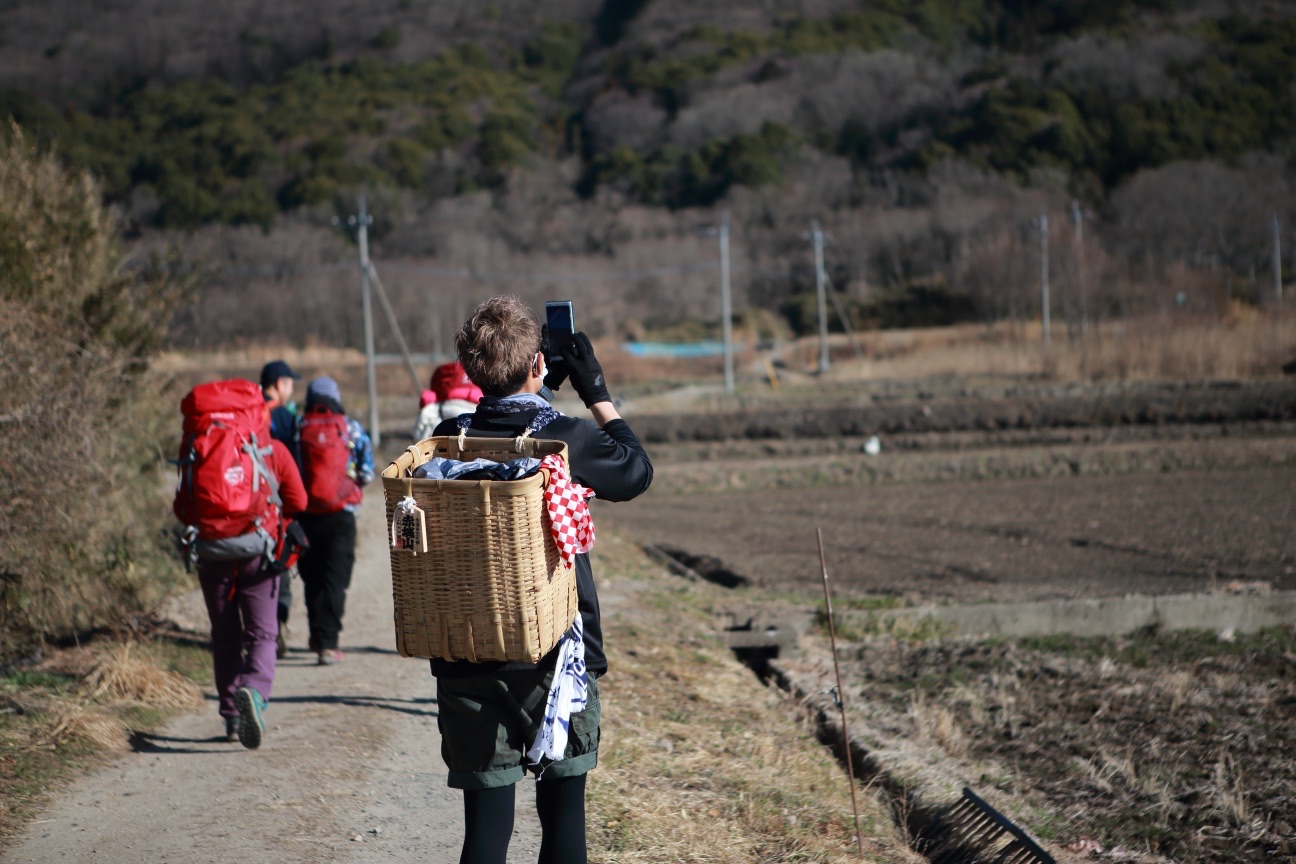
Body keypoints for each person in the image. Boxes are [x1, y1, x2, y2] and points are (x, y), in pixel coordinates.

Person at [429, 295, 653, 864]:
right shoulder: (567, 440)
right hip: (555, 654)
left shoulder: (449, 437)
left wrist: (534, 385)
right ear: (537, 363)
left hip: (469, 649)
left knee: (484, 832)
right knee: (562, 821)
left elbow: (502, 418)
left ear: (472, 371)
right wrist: (594, 389)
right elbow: (635, 471)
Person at [175, 380, 307, 749]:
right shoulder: (271, 449)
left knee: (225, 635)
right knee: (262, 634)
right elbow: (299, 500)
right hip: (258, 549)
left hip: (211, 551)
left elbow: (182, 507)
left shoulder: (195, 446)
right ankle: (254, 691)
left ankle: (232, 716)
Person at [294, 376, 374, 666]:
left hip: (305, 514)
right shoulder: (350, 427)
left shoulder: (298, 428)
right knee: (335, 580)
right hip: (341, 515)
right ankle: (328, 644)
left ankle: (317, 636)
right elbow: (367, 472)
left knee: (312, 579)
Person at [261, 359, 301, 659]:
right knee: (280, 567)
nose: (292, 388)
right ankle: (278, 628)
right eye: (290, 382)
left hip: (246, 501)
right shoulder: (285, 417)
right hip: (278, 505)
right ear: (279, 384)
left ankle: (257, 631)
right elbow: (295, 464)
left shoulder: (247, 413)